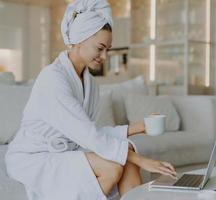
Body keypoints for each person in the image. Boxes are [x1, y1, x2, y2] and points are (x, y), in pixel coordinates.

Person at [4, 0, 176, 200]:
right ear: (80, 39)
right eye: (100, 48)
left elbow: (87, 133)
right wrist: (142, 160)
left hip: (66, 150)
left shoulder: (91, 84)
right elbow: (88, 135)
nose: (104, 57)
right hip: (34, 157)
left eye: (107, 50)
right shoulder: (53, 78)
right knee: (113, 167)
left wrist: (139, 127)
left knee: (125, 151)